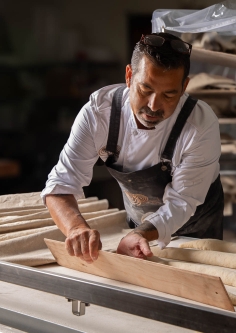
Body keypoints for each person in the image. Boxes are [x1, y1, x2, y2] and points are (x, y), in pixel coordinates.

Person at [42, 32, 224, 264]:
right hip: (140, 226)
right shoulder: (99, 115)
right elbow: (60, 184)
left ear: (184, 87)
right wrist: (76, 228)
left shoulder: (199, 124)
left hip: (198, 227)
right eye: (145, 90)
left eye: (169, 95)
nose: (153, 105)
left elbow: (182, 201)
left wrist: (139, 234)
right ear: (129, 76)